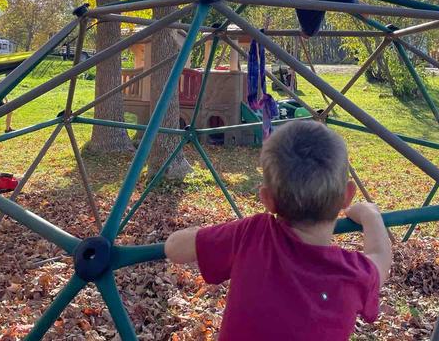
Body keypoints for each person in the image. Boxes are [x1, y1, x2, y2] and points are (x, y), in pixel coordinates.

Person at [165, 120, 391, 340]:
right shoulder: (351, 274)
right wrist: (370, 216)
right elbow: (381, 260)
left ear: (267, 200)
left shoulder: (253, 234)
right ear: (348, 195)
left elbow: (174, 248)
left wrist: (195, 232)